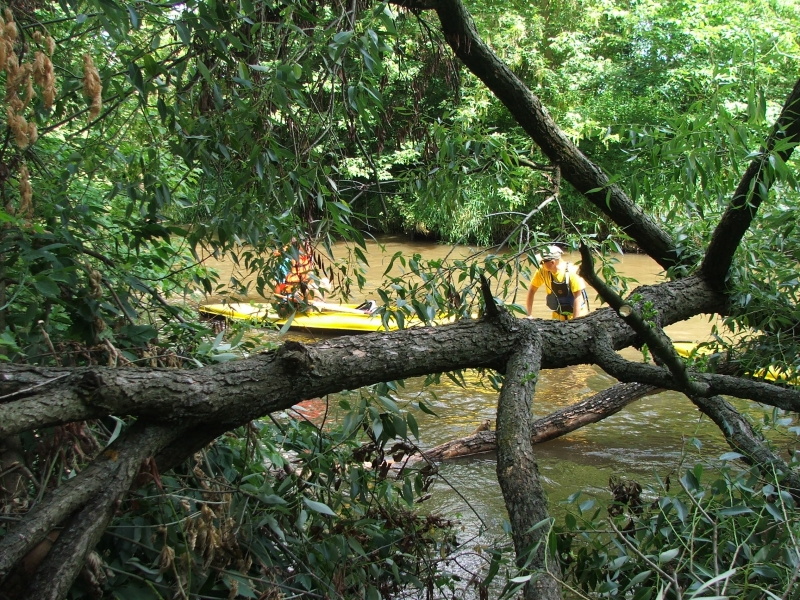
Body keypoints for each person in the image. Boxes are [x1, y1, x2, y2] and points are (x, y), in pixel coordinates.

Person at [526, 245, 589, 320]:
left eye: (542, 262)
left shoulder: (572, 271)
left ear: (552, 262)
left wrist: (575, 321)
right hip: (558, 316)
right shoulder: (542, 271)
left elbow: (577, 297)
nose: (540, 264)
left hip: (578, 315)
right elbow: (531, 291)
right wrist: (529, 315)